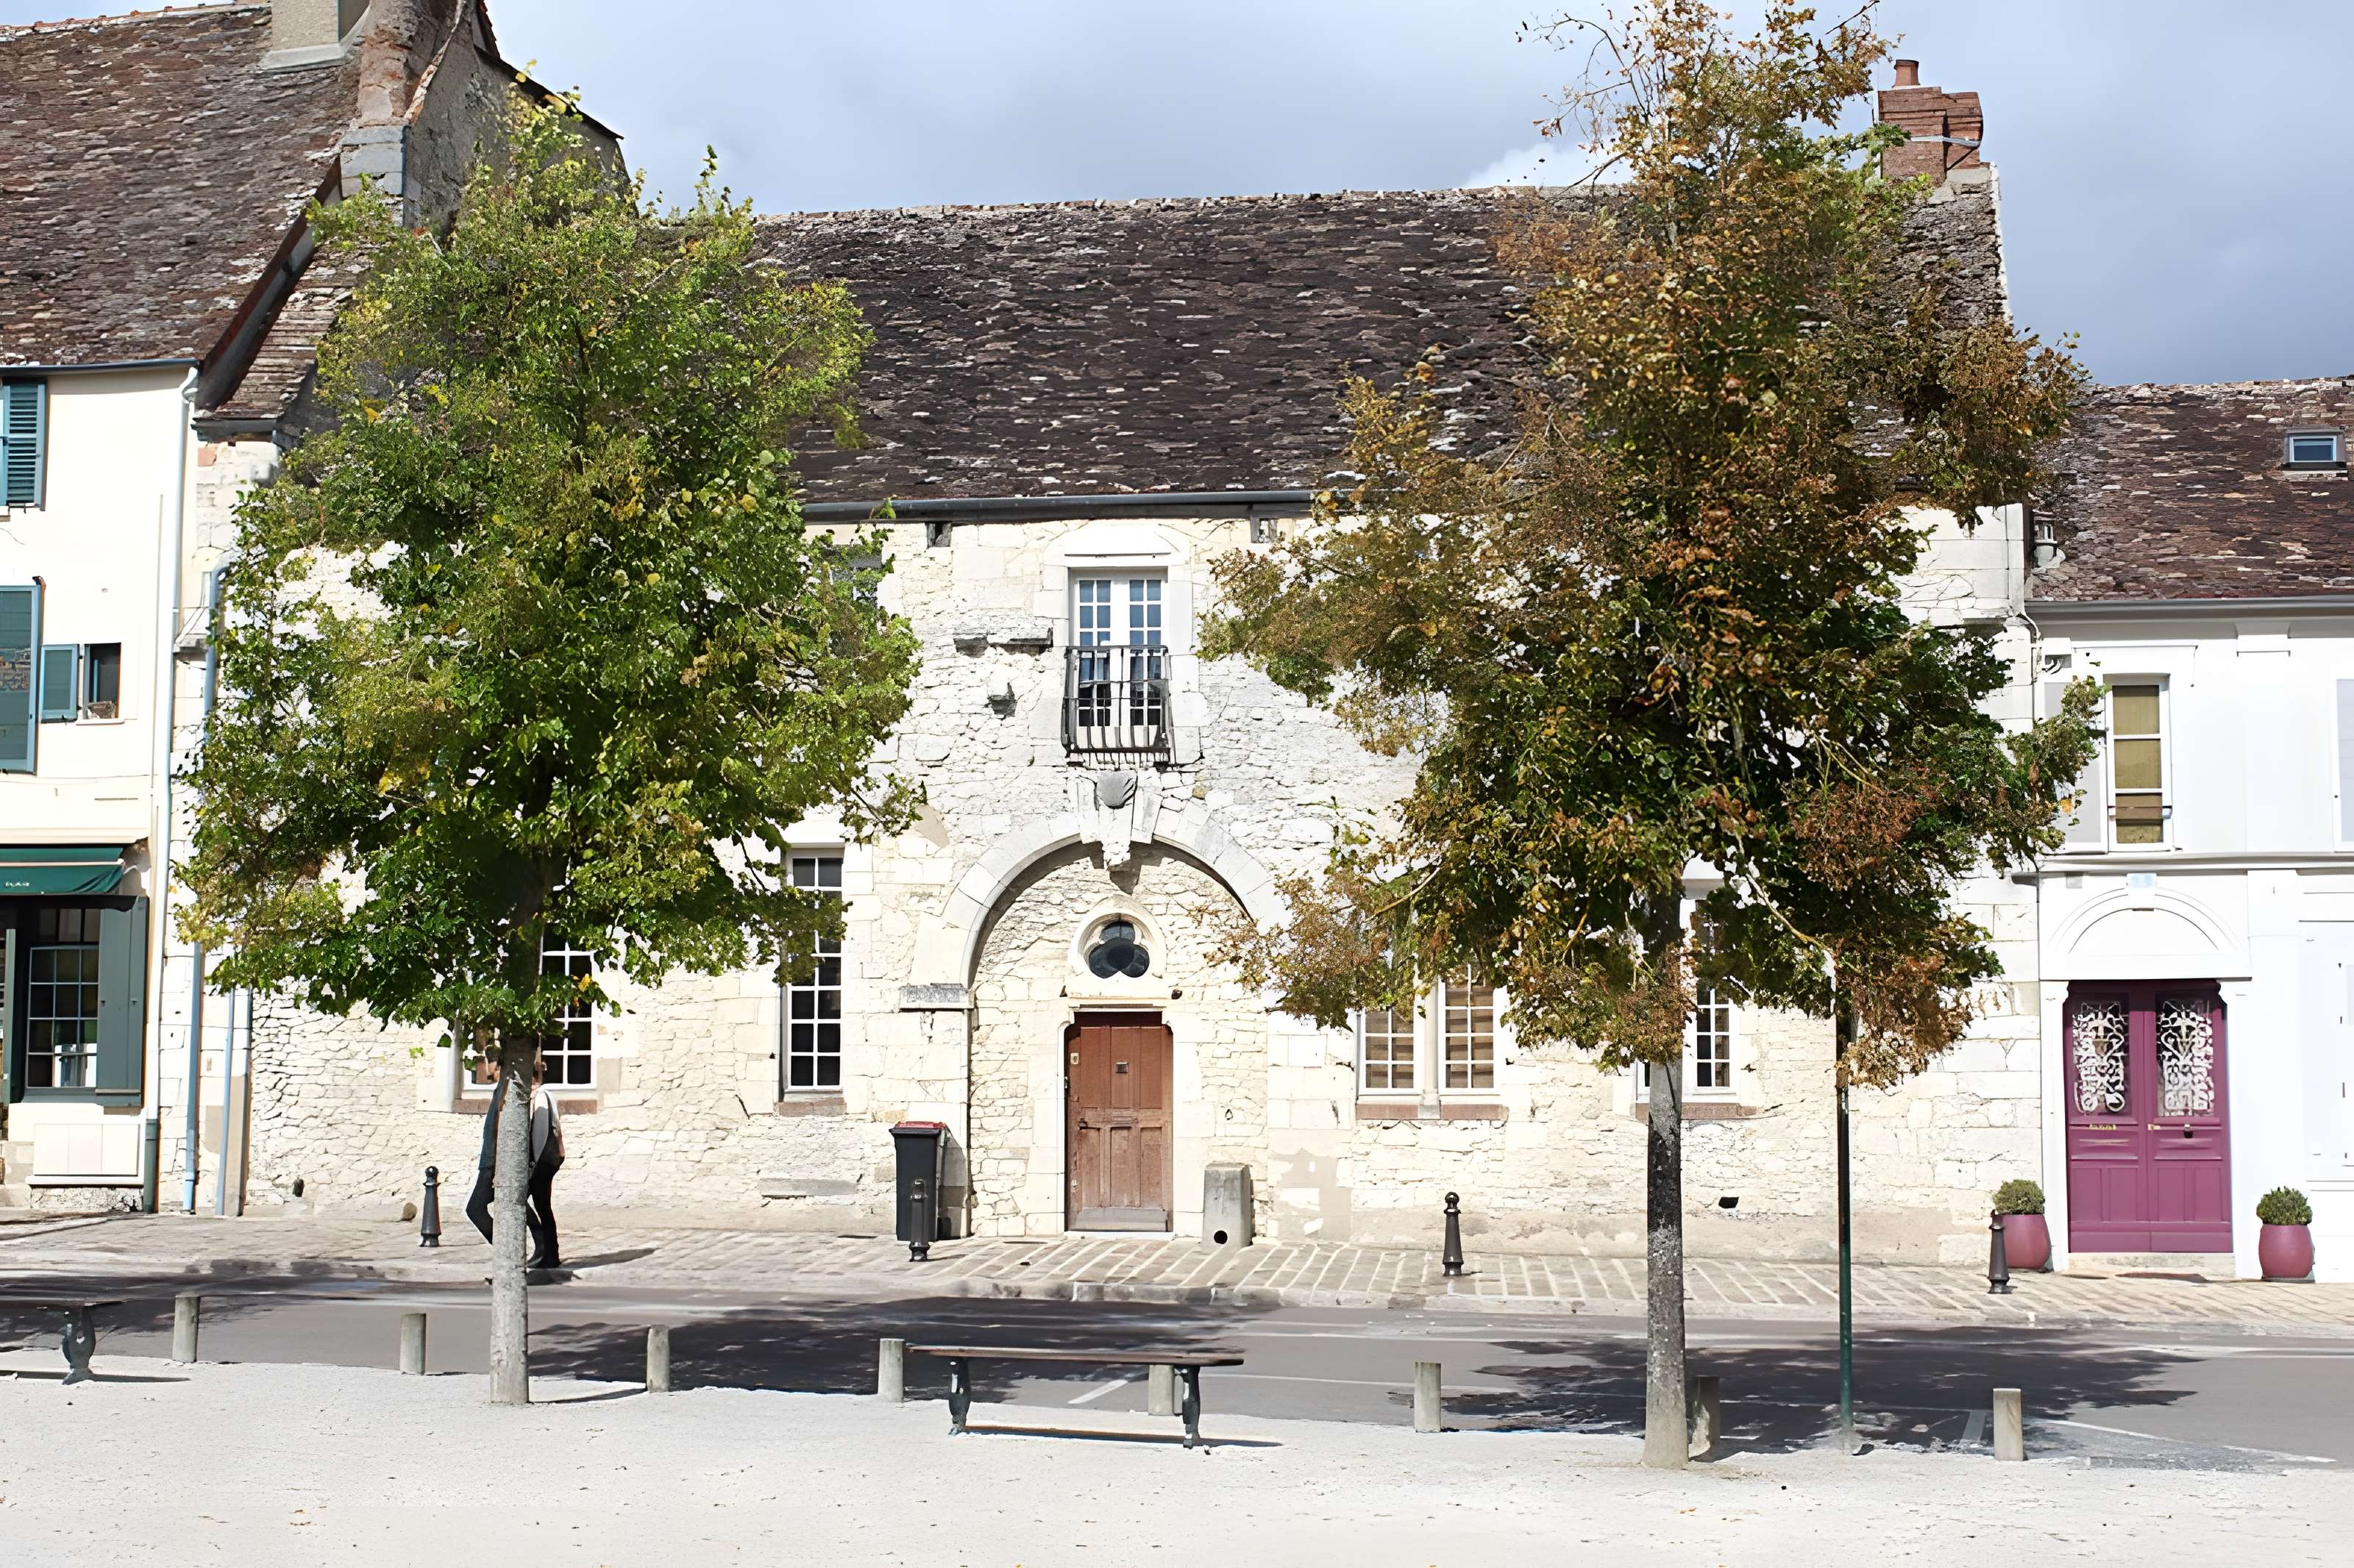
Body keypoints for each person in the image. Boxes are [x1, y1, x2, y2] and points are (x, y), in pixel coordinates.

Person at [526, 1053, 566, 1269]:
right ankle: (550, 1253)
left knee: (540, 1207)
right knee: (544, 1207)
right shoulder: (546, 1095)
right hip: (548, 1161)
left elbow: (542, 1133)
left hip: (543, 1162)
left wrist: (534, 1164)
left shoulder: (542, 1096)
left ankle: (548, 1253)